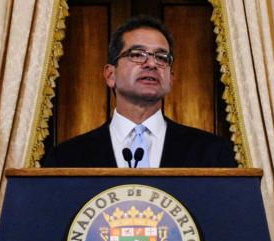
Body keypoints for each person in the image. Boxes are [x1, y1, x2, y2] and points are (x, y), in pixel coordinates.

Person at [42, 15, 237, 168]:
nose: (151, 63)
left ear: (171, 78)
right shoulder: (66, 158)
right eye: (137, 54)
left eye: (161, 57)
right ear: (110, 74)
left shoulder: (212, 153)